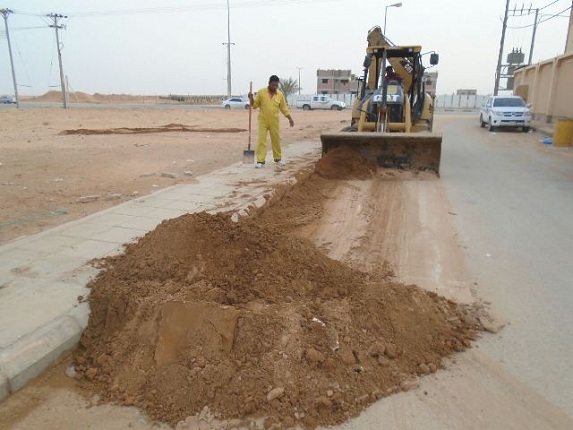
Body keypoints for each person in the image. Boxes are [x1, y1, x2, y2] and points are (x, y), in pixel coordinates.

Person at [248, 75, 294, 168]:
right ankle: (260, 161)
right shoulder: (261, 92)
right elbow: (254, 105)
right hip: (263, 120)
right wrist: (251, 98)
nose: (275, 87)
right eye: (273, 85)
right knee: (261, 140)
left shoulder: (280, 94)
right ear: (269, 83)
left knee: (276, 140)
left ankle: (278, 159)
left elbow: (283, 108)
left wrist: (289, 118)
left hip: (274, 121)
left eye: (276, 85)